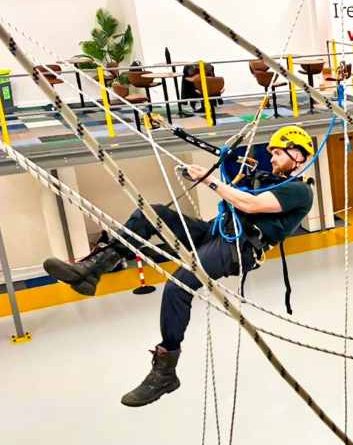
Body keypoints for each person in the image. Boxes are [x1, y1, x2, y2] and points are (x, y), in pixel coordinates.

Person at [43, 125, 315, 407]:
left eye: (278, 153)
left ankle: (165, 371)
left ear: (298, 155)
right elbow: (239, 194)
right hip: (216, 232)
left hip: (235, 248)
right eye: (271, 153)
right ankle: (92, 271)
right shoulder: (269, 180)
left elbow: (250, 204)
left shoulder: (299, 191)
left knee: (177, 287)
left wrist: (210, 181)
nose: (271, 158)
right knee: (153, 213)